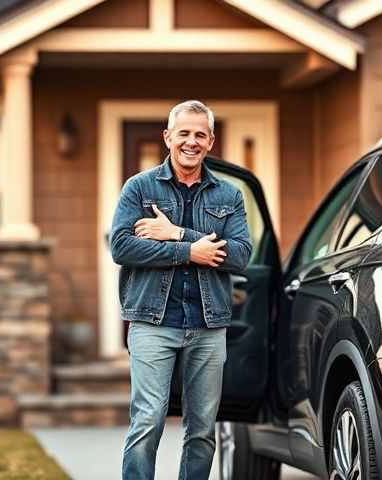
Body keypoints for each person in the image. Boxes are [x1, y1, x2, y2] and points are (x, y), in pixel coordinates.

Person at [110, 100, 251, 480]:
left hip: (209, 324)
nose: (191, 141)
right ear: (167, 137)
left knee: (203, 429)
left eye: (199, 134)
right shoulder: (139, 189)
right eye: (184, 133)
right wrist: (191, 251)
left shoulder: (230, 195)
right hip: (152, 322)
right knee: (147, 422)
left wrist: (176, 234)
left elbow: (240, 255)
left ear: (211, 142)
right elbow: (122, 247)